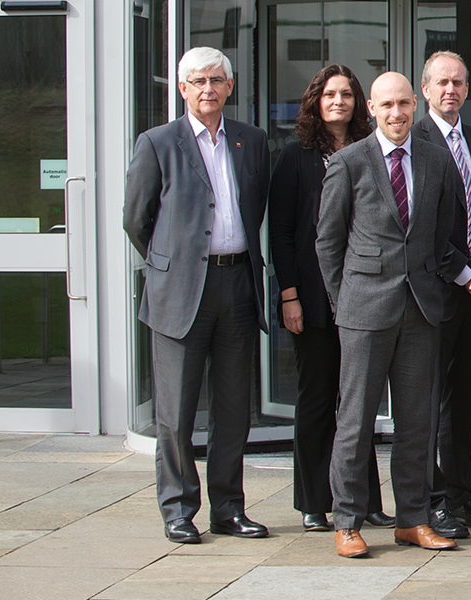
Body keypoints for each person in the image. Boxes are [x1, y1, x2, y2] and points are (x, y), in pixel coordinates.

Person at [316, 71, 470, 558]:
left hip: (421, 308)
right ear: (371, 110)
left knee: (417, 421)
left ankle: (412, 519)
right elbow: (328, 242)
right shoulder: (349, 162)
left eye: (405, 103)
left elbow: (443, 232)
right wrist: (345, 303)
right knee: (355, 419)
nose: (398, 113)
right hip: (364, 308)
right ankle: (347, 520)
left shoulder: (435, 159)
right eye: (387, 105)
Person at [124, 47, 270, 545]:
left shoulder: (252, 142)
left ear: (230, 87)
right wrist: (172, 264)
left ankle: (229, 509)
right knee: (177, 411)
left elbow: (257, 208)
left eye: (216, 79)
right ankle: (179, 509)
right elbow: (136, 219)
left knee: (233, 410)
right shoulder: (158, 142)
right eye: (197, 81)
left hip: (238, 285)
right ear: (181, 89)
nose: (207, 88)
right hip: (182, 291)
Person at [269, 64, 394, 534]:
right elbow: (280, 234)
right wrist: (289, 297)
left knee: (359, 403)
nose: (337, 101)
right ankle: (314, 503)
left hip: (363, 295)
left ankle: (364, 501)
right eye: (329, 94)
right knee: (318, 400)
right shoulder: (295, 156)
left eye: (346, 94)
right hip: (314, 300)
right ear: (315, 102)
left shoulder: (372, 152)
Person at [411, 50, 471, 538]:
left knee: (466, 398)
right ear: (424, 89)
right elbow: (419, 225)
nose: (451, 90)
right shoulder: (414, 140)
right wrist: (465, 273)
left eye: (460, 83)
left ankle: (460, 494)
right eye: (442, 82)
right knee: (431, 401)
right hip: (436, 293)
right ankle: (430, 500)